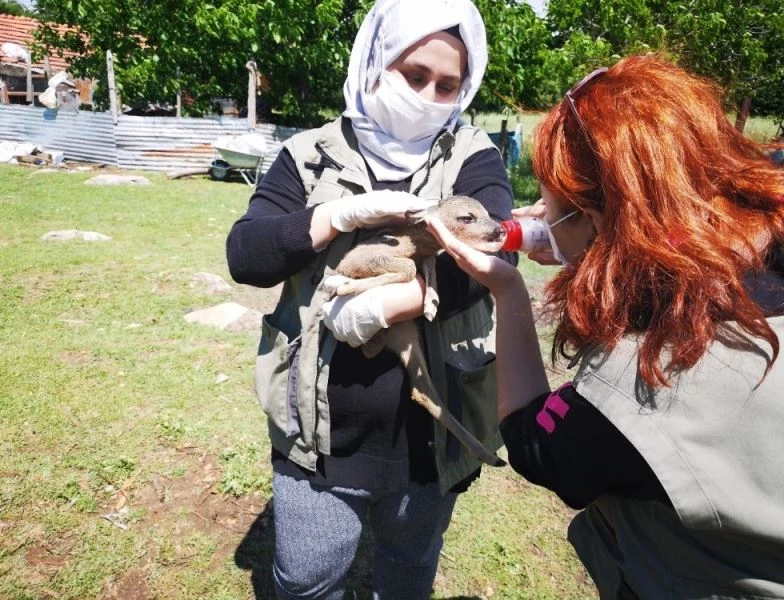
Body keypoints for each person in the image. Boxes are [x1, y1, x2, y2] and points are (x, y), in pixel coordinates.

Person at [427, 55, 784, 599]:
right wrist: (602, 252)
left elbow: (533, 443)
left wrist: (508, 289)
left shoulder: (643, 382)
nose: (541, 223)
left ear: (593, 222)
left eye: (551, 212)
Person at [225, 0, 516, 597]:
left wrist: (390, 304)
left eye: (447, 85)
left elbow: (497, 252)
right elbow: (246, 256)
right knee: (307, 578)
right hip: (320, 433)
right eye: (413, 76)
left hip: (430, 433)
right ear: (376, 60)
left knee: (408, 571)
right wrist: (331, 216)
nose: (428, 96)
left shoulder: (471, 155)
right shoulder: (307, 154)